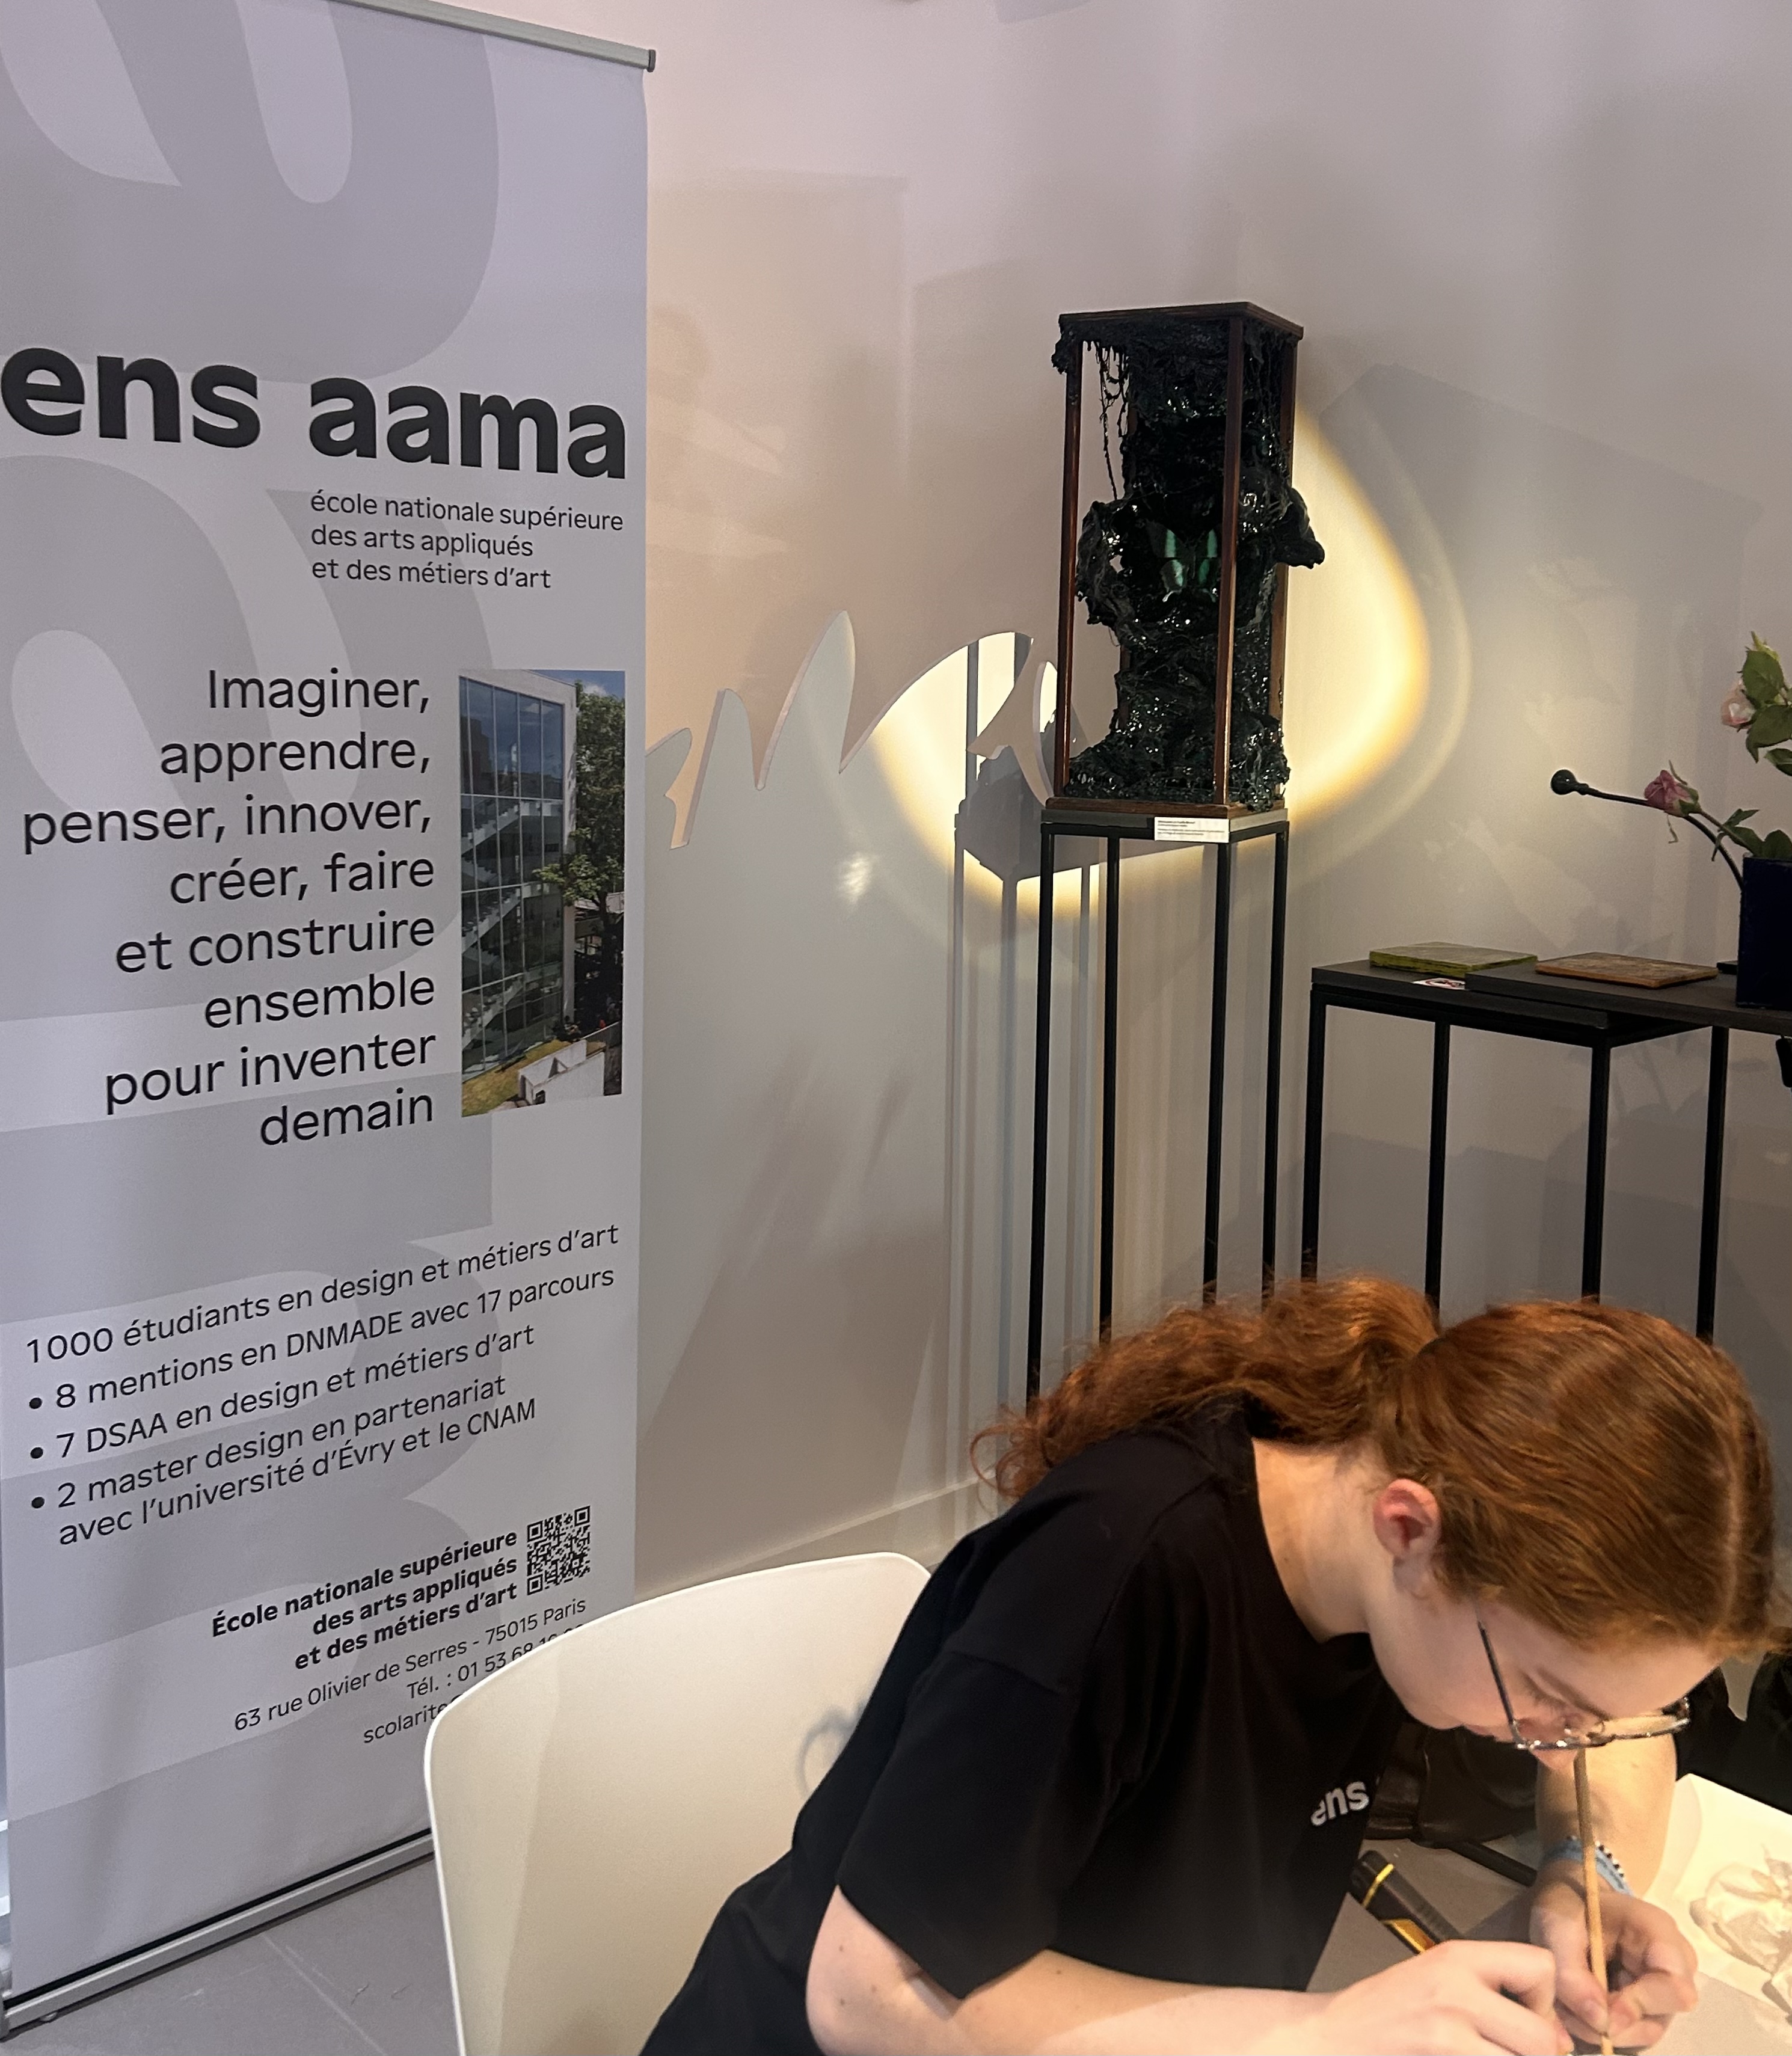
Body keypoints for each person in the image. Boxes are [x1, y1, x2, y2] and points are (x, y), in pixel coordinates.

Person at [645, 1279, 1782, 2054]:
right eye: (1551, 1703)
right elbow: (865, 1995)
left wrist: (1584, 1878)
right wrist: (1323, 2034)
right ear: (1411, 1531)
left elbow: (1624, 1730)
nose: (1557, 1741)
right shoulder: (1121, 1573)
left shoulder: (1421, 1586)